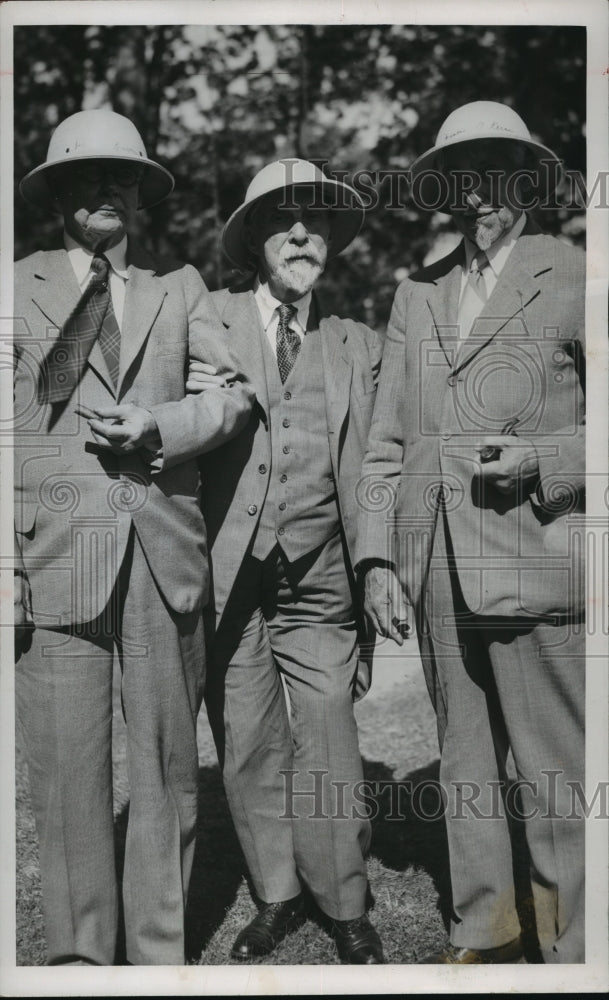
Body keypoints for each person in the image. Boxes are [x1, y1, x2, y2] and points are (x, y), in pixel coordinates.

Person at [13, 108, 254, 966]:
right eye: (87, 175)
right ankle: (80, 960)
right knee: (66, 772)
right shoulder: (12, 287)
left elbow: (231, 395)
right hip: (53, 557)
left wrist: (162, 423)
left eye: (122, 175)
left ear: (141, 194)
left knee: (164, 766)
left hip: (161, 550)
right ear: (58, 193)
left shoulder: (178, 288)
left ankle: (156, 960)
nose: (106, 188)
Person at [357, 101, 585, 964]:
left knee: (556, 770)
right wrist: (379, 559)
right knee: (463, 764)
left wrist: (543, 458)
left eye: (494, 169)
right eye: (460, 173)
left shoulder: (575, 273)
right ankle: (484, 931)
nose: (476, 188)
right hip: (436, 568)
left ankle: (575, 948)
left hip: (537, 559)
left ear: (525, 178)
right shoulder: (416, 291)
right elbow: (384, 441)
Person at [187, 159, 384, 964]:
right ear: (253, 239)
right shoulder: (209, 316)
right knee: (248, 737)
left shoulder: (357, 343)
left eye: (315, 220)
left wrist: (378, 564)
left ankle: (343, 901)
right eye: (282, 219)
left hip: (322, 573)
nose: (301, 233)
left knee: (329, 727)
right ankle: (277, 895)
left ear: (330, 239)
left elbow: (380, 462)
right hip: (228, 571)